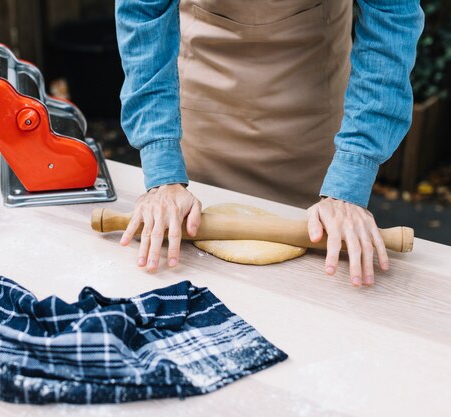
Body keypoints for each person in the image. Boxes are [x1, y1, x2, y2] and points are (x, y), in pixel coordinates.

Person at [114, 0, 424, 286]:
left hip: (312, 119)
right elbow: (143, 13)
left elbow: (392, 20)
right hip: (204, 109)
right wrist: (162, 167)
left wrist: (351, 175)